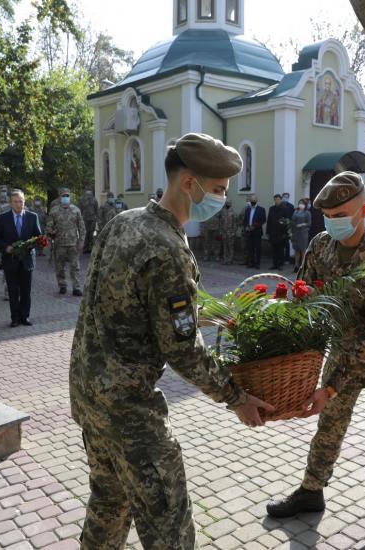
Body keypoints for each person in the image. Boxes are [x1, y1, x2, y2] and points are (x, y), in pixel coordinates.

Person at [69, 132, 274, 549]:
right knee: (170, 527)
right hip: (129, 411)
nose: (220, 200)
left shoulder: (123, 222)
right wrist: (236, 396)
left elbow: (114, 306)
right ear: (188, 183)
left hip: (89, 396)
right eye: (216, 190)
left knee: (110, 503)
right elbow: (181, 347)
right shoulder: (168, 249)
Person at [266, 172, 365, 518]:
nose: (332, 223)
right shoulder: (319, 246)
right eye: (327, 217)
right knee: (328, 427)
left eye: (340, 216)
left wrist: (330, 386)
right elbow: (305, 299)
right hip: (341, 352)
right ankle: (311, 492)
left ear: (363, 209)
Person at [0, 190, 42, 327]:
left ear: (24, 202)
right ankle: (15, 317)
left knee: (26, 291)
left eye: (21, 201)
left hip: (27, 260)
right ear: (10, 203)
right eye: (16, 201)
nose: (19, 204)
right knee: (13, 291)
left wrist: (30, 245)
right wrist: (5, 247)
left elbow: (38, 237)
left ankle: (25, 316)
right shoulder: (3, 218)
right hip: (10, 260)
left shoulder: (33, 217)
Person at [47, 187, 86, 296]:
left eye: (67, 196)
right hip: (59, 244)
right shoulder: (54, 211)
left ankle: (76, 288)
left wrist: (82, 241)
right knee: (60, 267)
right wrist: (51, 233)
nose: (65, 197)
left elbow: (82, 227)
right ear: (59, 197)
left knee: (75, 267)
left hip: (73, 244)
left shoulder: (76, 210)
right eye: (63, 195)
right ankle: (62, 285)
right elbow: (48, 226)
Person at [267, 194, 291, 270]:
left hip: (281, 233)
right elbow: (269, 221)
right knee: (274, 249)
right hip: (273, 232)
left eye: (278, 199)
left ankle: (280, 264)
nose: (277, 201)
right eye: (275, 199)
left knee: (280, 250)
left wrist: (285, 233)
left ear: (280, 200)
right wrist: (268, 232)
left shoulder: (285, 208)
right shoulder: (271, 208)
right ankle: (274, 264)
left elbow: (287, 220)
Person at [243, 194, 266, 268]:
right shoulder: (248, 209)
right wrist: (246, 226)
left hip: (257, 232)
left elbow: (263, 220)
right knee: (250, 248)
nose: (252, 201)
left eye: (253, 200)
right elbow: (245, 220)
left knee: (257, 248)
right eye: (251, 200)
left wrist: (254, 226)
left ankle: (257, 263)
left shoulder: (261, 209)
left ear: (256, 201)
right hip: (249, 231)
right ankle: (251, 262)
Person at [290, 198, 312, 273]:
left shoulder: (307, 213)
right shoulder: (295, 211)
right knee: (296, 249)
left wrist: (303, 224)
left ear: (305, 205)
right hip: (296, 232)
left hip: (303, 233)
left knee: (303, 250)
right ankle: (296, 266)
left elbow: (309, 223)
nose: (301, 205)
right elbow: (292, 221)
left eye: (302, 203)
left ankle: (303, 267)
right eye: (300, 203)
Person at [77, 188, 99, 255]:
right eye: (87, 193)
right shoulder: (81, 200)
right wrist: (79, 218)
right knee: (85, 234)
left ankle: (91, 248)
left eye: (90, 193)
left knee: (91, 234)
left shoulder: (94, 200)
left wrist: (96, 217)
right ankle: (85, 248)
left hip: (92, 219)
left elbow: (96, 209)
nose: (88, 195)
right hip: (84, 220)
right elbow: (79, 209)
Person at [219, 199, 237, 265]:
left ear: (231, 204)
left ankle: (230, 260)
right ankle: (225, 259)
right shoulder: (223, 212)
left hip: (230, 232)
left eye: (229, 203)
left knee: (230, 247)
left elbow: (235, 224)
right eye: (227, 203)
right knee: (225, 247)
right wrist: (220, 231)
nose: (227, 204)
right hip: (224, 232)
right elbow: (221, 222)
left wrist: (233, 232)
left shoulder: (233, 213)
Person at [282, 192, 295, 262]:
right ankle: (281, 258)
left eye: (287, 197)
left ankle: (287, 258)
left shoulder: (291, 206)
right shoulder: (280, 205)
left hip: (288, 227)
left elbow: (292, 216)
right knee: (281, 244)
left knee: (287, 243)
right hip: (280, 227)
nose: (285, 198)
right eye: (284, 197)